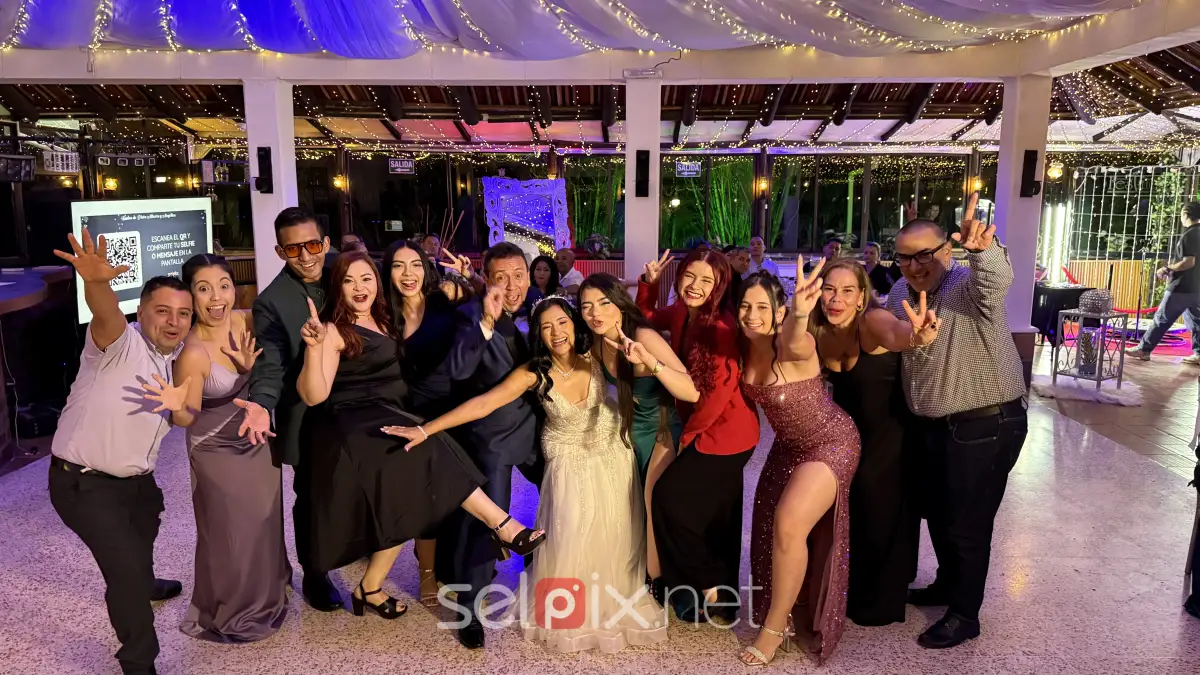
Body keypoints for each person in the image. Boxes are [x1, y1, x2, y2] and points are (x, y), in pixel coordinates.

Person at [386, 297, 666, 653]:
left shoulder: (595, 354)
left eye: (562, 322)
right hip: (567, 459)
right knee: (572, 531)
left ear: (574, 324)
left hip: (612, 454)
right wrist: (427, 429)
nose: (556, 332)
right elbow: (484, 403)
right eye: (546, 327)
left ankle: (614, 599)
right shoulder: (534, 371)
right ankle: (564, 607)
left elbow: (636, 370)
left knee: (614, 530)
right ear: (538, 334)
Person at [296, 251, 545, 620]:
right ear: (339, 288)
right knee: (422, 451)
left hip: (389, 414)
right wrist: (314, 348)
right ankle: (502, 525)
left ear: (377, 283)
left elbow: (470, 305)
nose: (359, 287)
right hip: (353, 421)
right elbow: (314, 395)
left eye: (366, 278)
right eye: (349, 281)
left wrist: (473, 281)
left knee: (411, 482)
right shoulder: (334, 330)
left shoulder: (387, 319)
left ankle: (370, 587)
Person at [886, 193, 1028, 649]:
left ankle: (966, 614)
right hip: (935, 426)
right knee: (940, 513)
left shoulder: (967, 285)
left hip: (985, 423)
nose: (913, 266)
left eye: (923, 255)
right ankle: (948, 584)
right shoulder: (899, 293)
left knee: (967, 522)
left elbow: (996, 281)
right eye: (904, 257)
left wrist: (984, 251)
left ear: (947, 250)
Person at [49, 228, 190, 675]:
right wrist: (95, 282)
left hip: (136, 481)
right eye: (162, 311)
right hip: (83, 483)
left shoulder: (174, 361)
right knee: (124, 574)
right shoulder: (119, 343)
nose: (173, 321)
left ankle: (146, 581)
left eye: (183, 314)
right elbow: (105, 311)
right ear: (141, 312)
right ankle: (138, 661)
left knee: (146, 524)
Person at [158, 254, 290, 642]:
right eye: (204, 289)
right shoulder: (192, 352)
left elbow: (272, 369)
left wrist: (251, 369)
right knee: (232, 534)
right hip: (215, 450)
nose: (216, 298)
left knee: (265, 520)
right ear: (190, 295)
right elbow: (186, 418)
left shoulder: (247, 321)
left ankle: (268, 593)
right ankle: (234, 611)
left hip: (257, 439)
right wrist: (175, 407)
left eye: (223, 286)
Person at [735, 266, 861, 666]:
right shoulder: (743, 345)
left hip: (831, 441)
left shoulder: (794, 343)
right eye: (745, 306)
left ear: (779, 311)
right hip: (788, 447)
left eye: (762, 307)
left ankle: (773, 629)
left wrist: (801, 313)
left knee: (789, 523)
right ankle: (787, 608)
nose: (752, 315)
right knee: (768, 528)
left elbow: (795, 339)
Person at [811, 259, 938, 627]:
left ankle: (881, 601)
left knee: (881, 514)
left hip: (891, 437)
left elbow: (898, 333)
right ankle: (851, 591)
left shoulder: (872, 321)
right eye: (829, 289)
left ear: (861, 297)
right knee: (857, 514)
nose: (836, 298)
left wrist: (917, 336)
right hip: (851, 438)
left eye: (847, 290)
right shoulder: (818, 328)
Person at [637, 248, 760, 625]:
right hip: (708, 428)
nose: (695, 286)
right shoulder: (681, 310)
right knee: (716, 516)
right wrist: (649, 284)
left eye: (707, 280)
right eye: (690, 276)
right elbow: (646, 319)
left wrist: (688, 437)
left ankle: (709, 585)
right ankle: (717, 596)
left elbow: (717, 398)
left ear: (719, 286)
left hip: (728, 434)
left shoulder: (721, 328)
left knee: (669, 499)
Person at [438, 241, 544, 649]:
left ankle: (545, 568)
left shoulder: (538, 307)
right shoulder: (470, 315)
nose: (512, 285)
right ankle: (469, 609)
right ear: (487, 278)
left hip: (537, 431)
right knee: (489, 521)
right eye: (501, 277)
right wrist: (485, 320)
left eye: (519, 275)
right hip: (493, 437)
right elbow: (457, 368)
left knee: (564, 490)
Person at [237, 207, 341, 612]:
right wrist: (262, 403)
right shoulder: (272, 302)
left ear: (325, 243)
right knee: (313, 496)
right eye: (294, 248)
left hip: (359, 402)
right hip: (308, 412)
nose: (306, 256)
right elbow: (271, 363)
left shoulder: (346, 271)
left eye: (312, 245)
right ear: (281, 252)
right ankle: (315, 572)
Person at [578, 273, 695, 585]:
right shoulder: (596, 340)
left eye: (604, 303)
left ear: (620, 303)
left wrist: (649, 361)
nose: (595, 312)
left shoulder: (643, 335)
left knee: (652, 498)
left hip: (663, 427)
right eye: (586, 306)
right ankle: (639, 569)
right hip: (631, 429)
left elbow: (690, 390)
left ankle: (659, 581)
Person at [382, 240, 473, 607]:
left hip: (454, 405)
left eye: (416, 264)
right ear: (387, 272)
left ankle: (463, 558)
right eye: (399, 266)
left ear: (426, 268)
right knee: (426, 495)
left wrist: (469, 276)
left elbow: (483, 303)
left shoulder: (443, 296)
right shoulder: (383, 313)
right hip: (410, 411)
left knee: (458, 490)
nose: (409, 274)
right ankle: (427, 572)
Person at [1126, 201, 1200, 364]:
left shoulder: (1189, 235)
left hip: (1181, 286)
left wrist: (1167, 268)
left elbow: (1188, 262)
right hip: (1196, 287)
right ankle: (1199, 353)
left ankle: (1144, 349)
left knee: (1161, 318)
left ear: (1185, 214)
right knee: (1196, 320)